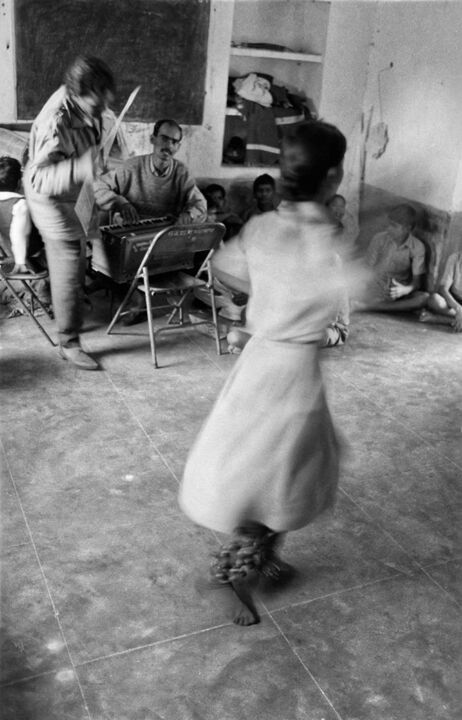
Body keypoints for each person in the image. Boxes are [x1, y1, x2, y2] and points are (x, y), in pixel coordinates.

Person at [179, 120, 350, 626]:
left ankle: (259, 558)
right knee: (280, 472)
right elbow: (356, 293)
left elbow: (227, 270)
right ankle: (239, 570)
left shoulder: (262, 227)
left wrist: (264, 296)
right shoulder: (322, 242)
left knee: (269, 468)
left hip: (258, 361)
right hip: (294, 373)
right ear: (334, 176)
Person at [24, 55, 116, 370]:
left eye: (108, 94)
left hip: (77, 187)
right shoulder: (56, 120)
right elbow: (39, 178)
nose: (106, 103)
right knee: (68, 258)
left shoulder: (88, 101)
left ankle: (63, 297)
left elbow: (90, 132)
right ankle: (68, 341)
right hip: (50, 197)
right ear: (77, 92)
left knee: (85, 244)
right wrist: (80, 166)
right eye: (99, 98)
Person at [94, 118, 207, 224]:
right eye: (164, 139)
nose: (169, 146)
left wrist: (189, 214)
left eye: (174, 142)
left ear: (178, 147)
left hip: (164, 235)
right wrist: (119, 202)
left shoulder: (182, 173)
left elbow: (200, 204)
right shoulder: (130, 167)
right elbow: (96, 187)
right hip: (130, 232)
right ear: (152, 139)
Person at [355, 204, 429, 314]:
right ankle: (376, 305)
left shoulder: (417, 247)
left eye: (394, 226)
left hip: (397, 292)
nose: (388, 229)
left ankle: (367, 307)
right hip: (375, 288)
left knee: (424, 297)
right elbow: (367, 269)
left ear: (407, 228)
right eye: (388, 224)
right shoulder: (379, 239)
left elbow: (416, 283)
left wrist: (404, 290)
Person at [0, 156, 48, 278]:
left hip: (12, 254)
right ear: (20, 182)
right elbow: (19, 235)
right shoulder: (20, 204)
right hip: (37, 258)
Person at [418, 251, 462, 332]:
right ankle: (456, 319)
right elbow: (443, 288)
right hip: (454, 302)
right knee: (435, 300)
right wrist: (458, 308)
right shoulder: (455, 258)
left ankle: (437, 319)